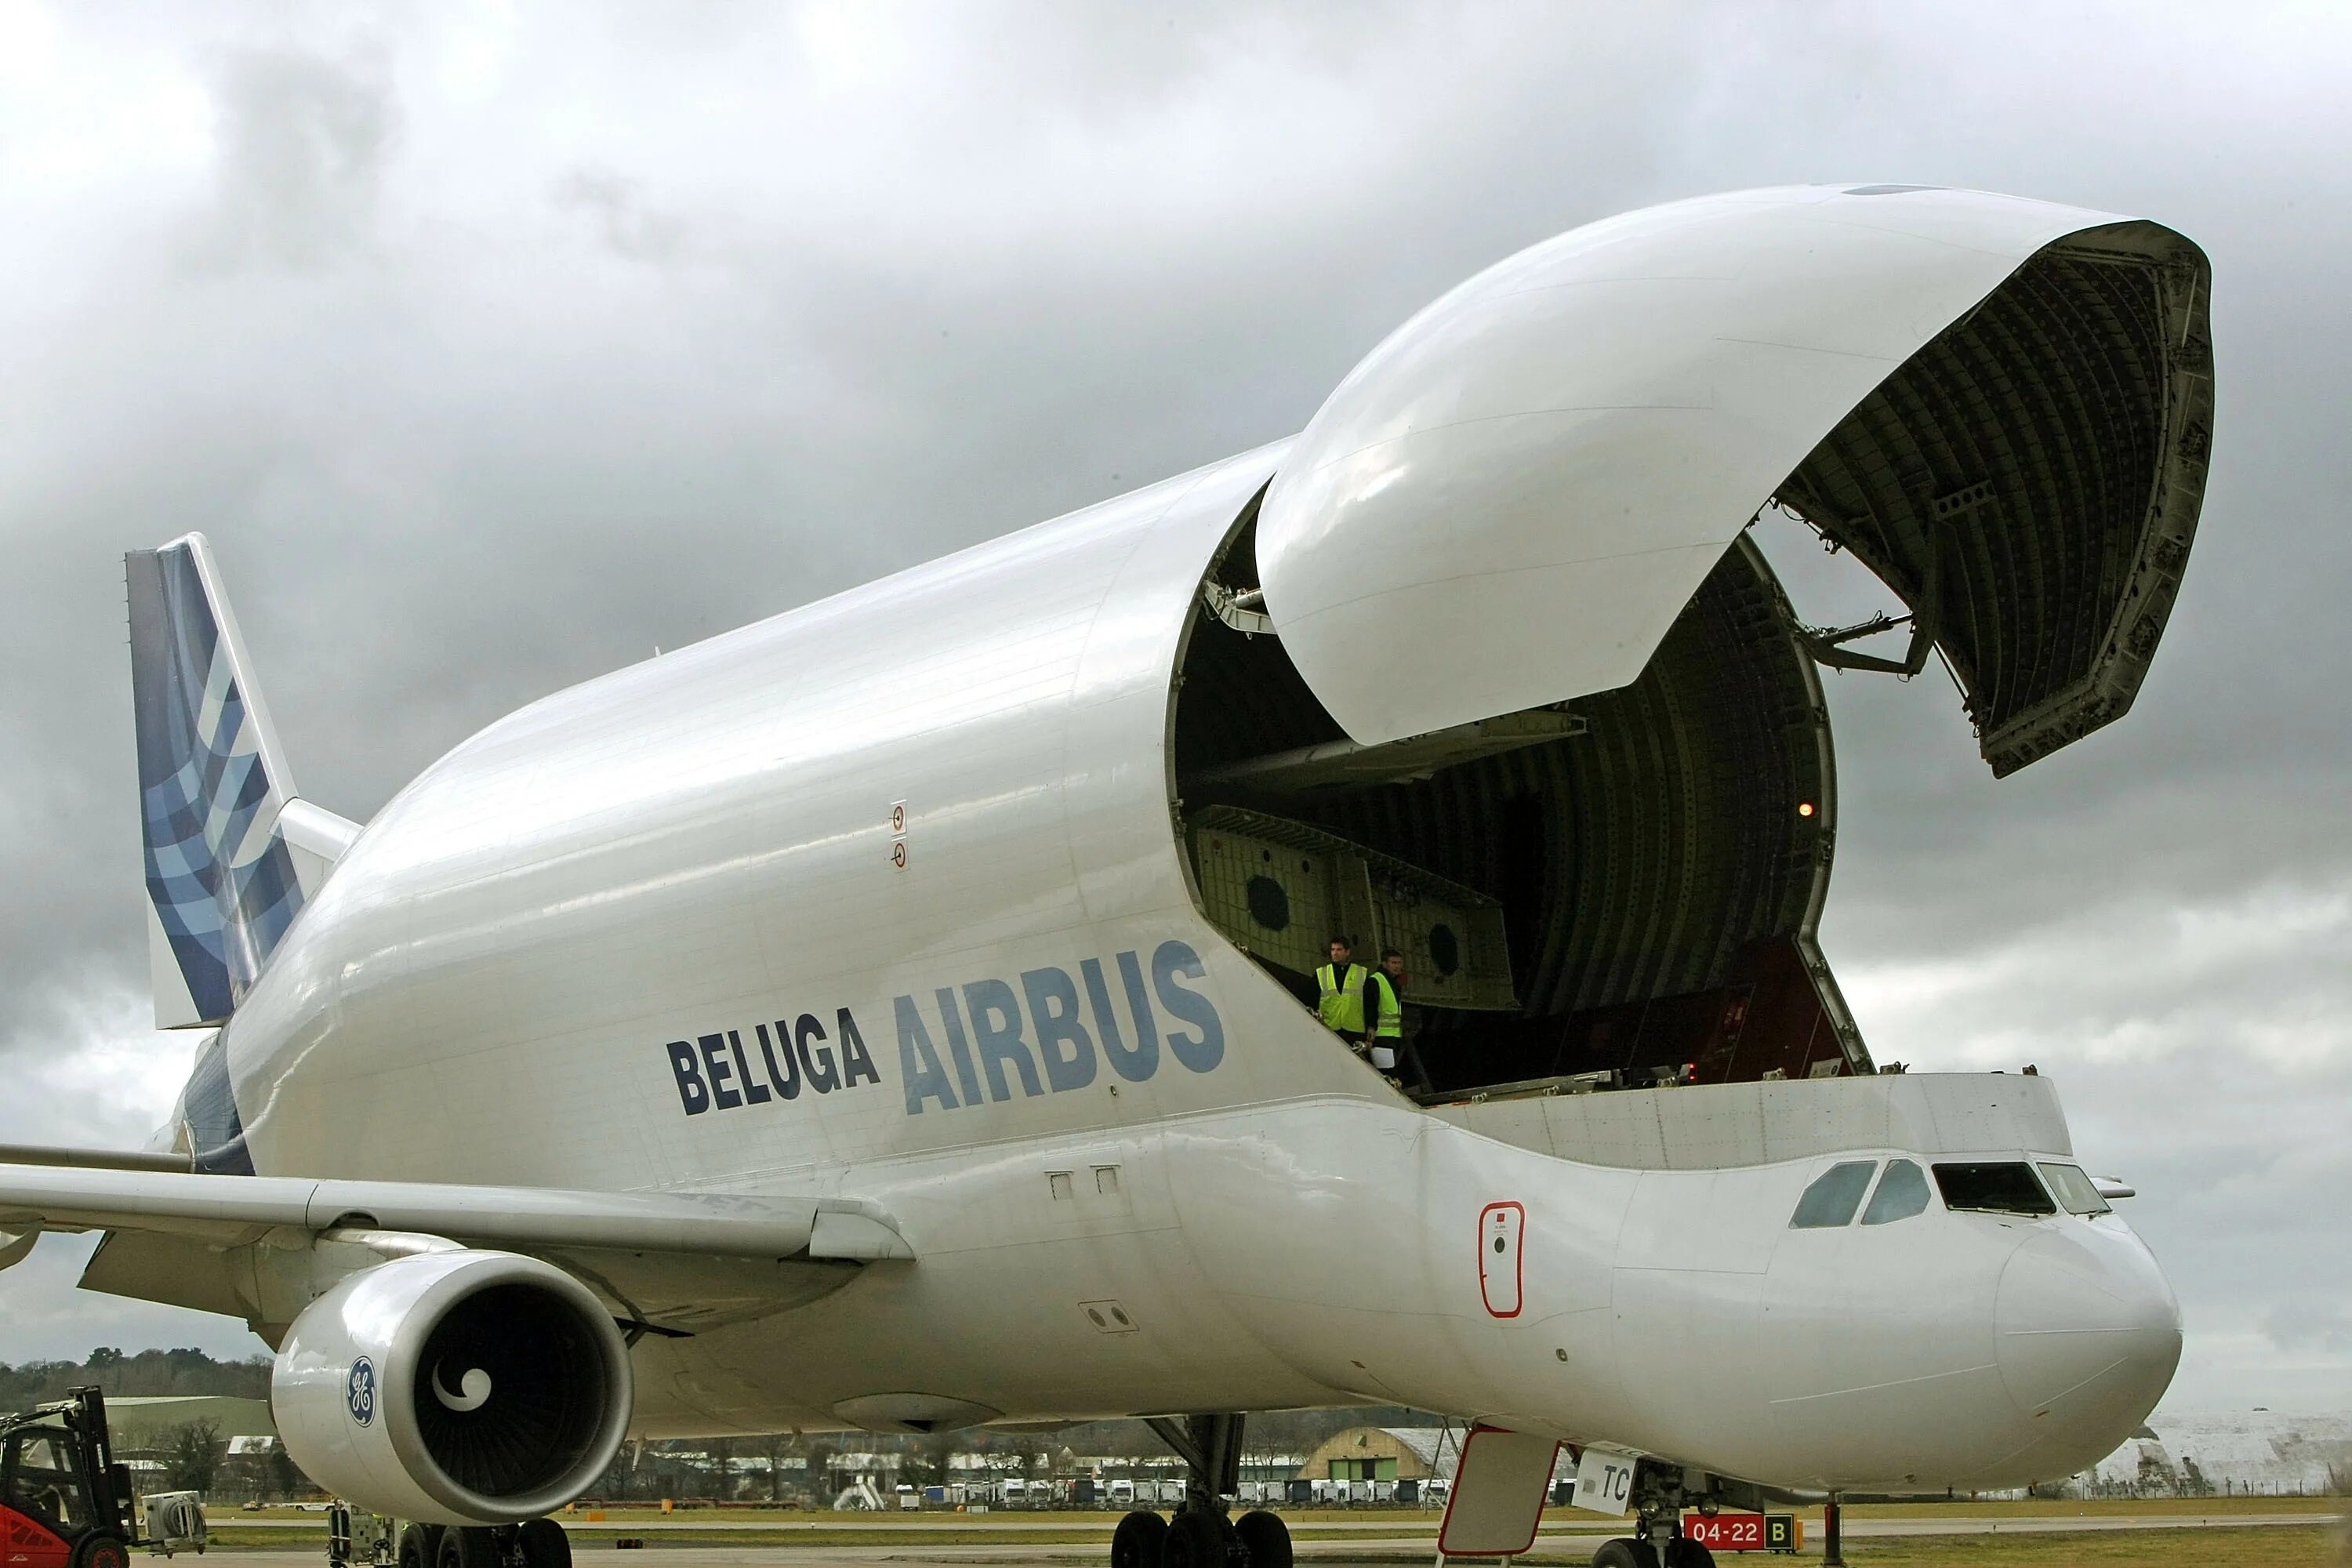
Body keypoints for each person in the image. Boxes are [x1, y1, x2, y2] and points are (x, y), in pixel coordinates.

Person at [1370, 948, 1433, 1091]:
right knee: (1387, 1074)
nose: (1397, 966)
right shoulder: (1377, 981)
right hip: (1382, 1036)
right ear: (1385, 964)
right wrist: (1371, 1027)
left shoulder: (1393, 983)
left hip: (1393, 1035)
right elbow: (1370, 1007)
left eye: (1399, 963)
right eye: (1393, 963)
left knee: (1391, 1071)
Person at [1315, 938, 1370, 1045]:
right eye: (1333, 950)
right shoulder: (1321, 973)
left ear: (1347, 952)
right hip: (1329, 1027)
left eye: (1339, 950)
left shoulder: (1361, 972)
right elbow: (1312, 999)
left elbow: (1369, 1003)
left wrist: (1371, 1026)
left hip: (1354, 1029)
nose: (1335, 953)